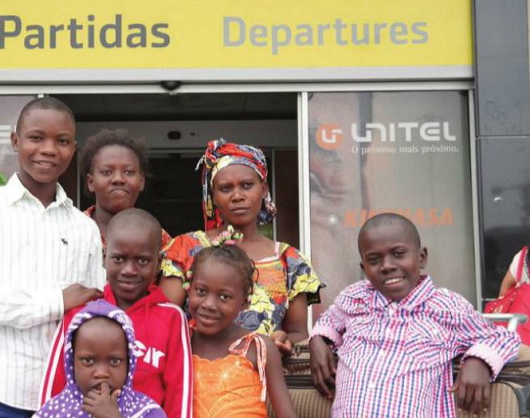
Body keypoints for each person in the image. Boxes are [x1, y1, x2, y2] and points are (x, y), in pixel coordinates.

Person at [0, 97, 105, 417]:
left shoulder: (84, 227)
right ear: (15, 141)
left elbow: (92, 313)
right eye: (36, 137)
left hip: (65, 394)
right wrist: (53, 302)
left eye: (62, 141)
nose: (48, 149)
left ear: (74, 148)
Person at [309, 213, 521, 417]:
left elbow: (502, 337)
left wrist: (479, 362)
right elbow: (329, 320)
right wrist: (318, 340)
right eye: (374, 260)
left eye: (398, 254)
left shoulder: (446, 307)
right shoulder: (355, 297)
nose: (387, 266)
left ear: (421, 258)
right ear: (364, 268)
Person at [160, 138, 321, 353]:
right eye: (226, 188)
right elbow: (163, 321)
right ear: (214, 197)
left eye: (247, 185)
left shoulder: (289, 260)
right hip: (198, 375)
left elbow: (298, 333)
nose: (237, 196)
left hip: (264, 379)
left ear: (263, 189)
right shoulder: (186, 248)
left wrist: (283, 339)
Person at [41, 208, 192, 418]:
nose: (129, 270)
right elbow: (54, 390)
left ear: (158, 263)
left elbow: (179, 397)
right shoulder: (81, 313)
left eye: (142, 261)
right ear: (105, 257)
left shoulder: (171, 318)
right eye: (119, 259)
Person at [189, 244, 297, 418]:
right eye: (201, 291)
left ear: (245, 301)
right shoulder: (181, 342)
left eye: (224, 296)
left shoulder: (258, 347)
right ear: (189, 288)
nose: (209, 304)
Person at [34, 300, 165, 418]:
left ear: (130, 363)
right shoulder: (53, 412)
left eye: (115, 361)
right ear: (72, 362)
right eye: (88, 361)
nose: (102, 373)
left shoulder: (147, 411)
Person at [79, 128, 171, 250]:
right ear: (91, 182)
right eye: (107, 172)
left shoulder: (158, 238)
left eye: (128, 172)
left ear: (141, 181)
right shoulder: (72, 231)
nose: (118, 179)